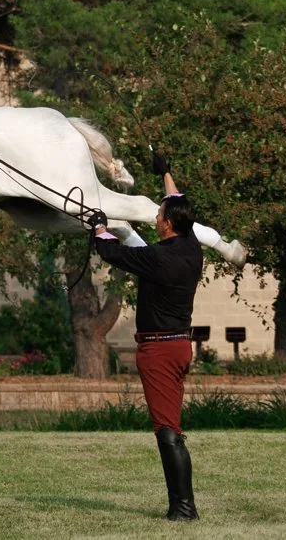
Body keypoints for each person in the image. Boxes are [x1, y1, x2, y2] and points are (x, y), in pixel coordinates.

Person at [93, 164, 203, 522]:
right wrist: (168, 171)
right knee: (170, 424)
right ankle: (182, 506)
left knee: (167, 429)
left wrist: (99, 226)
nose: (156, 217)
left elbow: (110, 252)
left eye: (158, 214)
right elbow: (176, 200)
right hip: (178, 346)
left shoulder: (158, 258)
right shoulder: (191, 246)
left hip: (158, 351)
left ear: (168, 224)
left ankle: (183, 509)